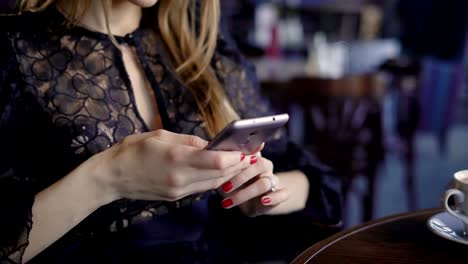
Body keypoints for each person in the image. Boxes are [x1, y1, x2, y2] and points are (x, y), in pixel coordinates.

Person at [0, 0, 342, 263]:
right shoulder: (11, 50)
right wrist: (108, 176)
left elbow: (317, 183)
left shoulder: (199, 48)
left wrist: (263, 192)